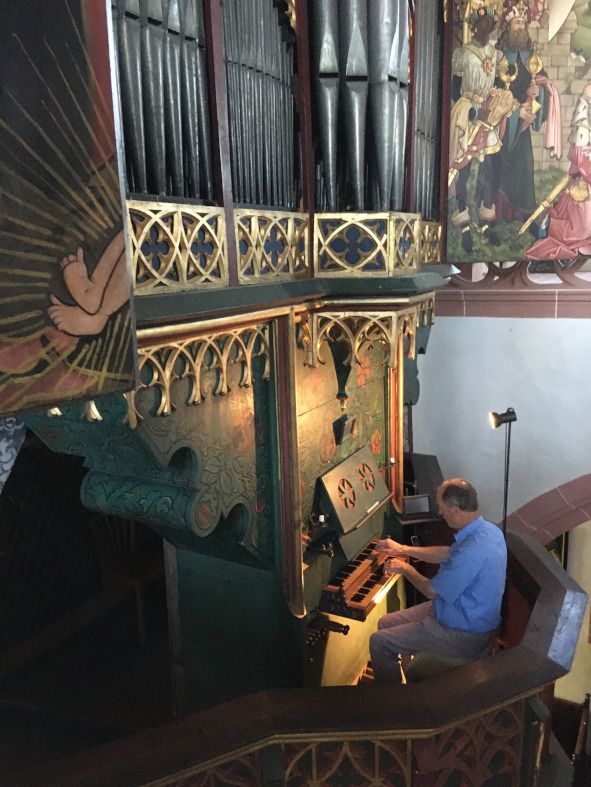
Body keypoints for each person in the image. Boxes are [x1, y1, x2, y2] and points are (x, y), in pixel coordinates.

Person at [369, 478, 507, 683]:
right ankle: (405, 681)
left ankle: (393, 705)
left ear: (455, 509)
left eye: (442, 508)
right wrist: (402, 549)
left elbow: (431, 590)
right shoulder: (489, 531)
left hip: (463, 634)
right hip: (460, 613)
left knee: (379, 642)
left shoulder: (472, 551)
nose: (440, 513)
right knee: (385, 622)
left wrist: (404, 568)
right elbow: (448, 553)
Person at [489, 2, 561, 227]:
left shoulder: (532, 57)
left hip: (524, 124)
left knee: (525, 163)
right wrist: (516, 109)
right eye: (516, 23)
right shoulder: (500, 57)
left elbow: (542, 80)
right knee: (503, 165)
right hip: (505, 121)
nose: (520, 27)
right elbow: (494, 91)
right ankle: (501, 213)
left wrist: (539, 91)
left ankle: (523, 211)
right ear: (508, 28)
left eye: (522, 23)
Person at [448, 2, 513, 252]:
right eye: (480, 25)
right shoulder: (463, 53)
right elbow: (455, 87)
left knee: (491, 169)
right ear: (474, 27)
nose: (484, 29)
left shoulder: (496, 55)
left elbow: (500, 79)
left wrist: (497, 90)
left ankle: (486, 218)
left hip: (489, 114)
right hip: (468, 112)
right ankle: (464, 221)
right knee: (464, 169)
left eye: (488, 26)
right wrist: (472, 105)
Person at [525, 83, 591, 260]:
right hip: (584, 190)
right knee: (581, 229)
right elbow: (580, 151)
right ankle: (550, 225)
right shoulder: (585, 121)